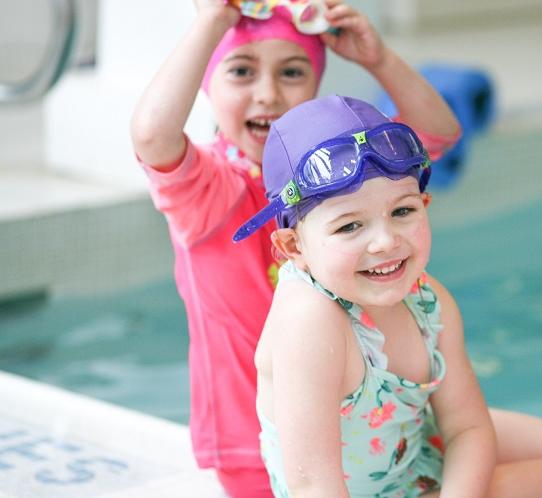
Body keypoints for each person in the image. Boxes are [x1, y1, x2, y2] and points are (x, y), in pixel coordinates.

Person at [129, 2, 461, 495]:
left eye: (292, 72)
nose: (268, 93)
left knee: (540, 452)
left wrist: (377, 58)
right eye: (241, 71)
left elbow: (438, 132)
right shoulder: (210, 191)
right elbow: (154, 135)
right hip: (257, 446)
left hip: (368, 424)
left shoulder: (341, 176)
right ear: (207, 82)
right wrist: (211, 22)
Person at [234, 94, 542, 498]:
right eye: (349, 227)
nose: (384, 241)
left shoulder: (429, 300)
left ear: (425, 204)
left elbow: (467, 427)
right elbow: (312, 485)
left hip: (417, 452)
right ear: (294, 247)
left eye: (402, 212)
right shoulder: (309, 319)